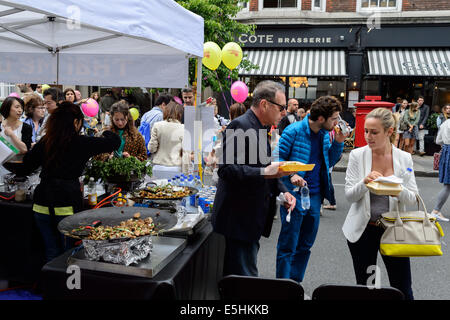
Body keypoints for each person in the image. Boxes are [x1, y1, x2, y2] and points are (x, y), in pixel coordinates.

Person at [15, 102, 120, 262]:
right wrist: (105, 132)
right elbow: (114, 142)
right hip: (66, 205)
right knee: (68, 254)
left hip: (42, 204)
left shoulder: (45, 142)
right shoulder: (81, 142)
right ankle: (63, 284)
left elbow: (25, 168)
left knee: (51, 251)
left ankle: (51, 283)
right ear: (76, 122)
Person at [211, 80, 297, 277]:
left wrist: (283, 191)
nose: (284, 112)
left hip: (249, 219)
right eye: (281, 107)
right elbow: (226, 169)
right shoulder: (241, 124)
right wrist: (265, 173)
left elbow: (265, 169)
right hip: (238, 219)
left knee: (241, 276)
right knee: (244, 279)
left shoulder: (259, 126)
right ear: (265, 104)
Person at [343, 107, 419, 300]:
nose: (368, 136)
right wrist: (365, 182)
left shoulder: (404, 158)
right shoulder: (357, 155)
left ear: (389, 131)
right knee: (370, 287)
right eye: (366, 131)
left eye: (374, 132)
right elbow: (350, 196)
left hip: (394, 230)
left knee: (402, 287)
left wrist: (396, 187)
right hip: (364, 231)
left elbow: (413, 198)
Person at [275, 95, 347, 283]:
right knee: (288, 243)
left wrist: (339, 142)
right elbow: (277, 160)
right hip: (293, 193)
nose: (336, 122)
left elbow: (328, 162)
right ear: (321, 118)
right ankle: (282, 287)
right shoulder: (293, 131)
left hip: (314, 196)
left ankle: (295, 283)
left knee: (306, 244)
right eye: (334, 119)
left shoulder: (325, 135)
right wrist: (292, 174)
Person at [148, 101, 188, 178]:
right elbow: (185, 154)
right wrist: (186, 173)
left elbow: (151, 149)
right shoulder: (184, 128)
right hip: (176, 167)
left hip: (158, 166)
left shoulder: (157, 125)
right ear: (180, 114)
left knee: (158, 189)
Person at [431, 118, 450, 222]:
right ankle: (436, 211)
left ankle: (436, 211)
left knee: (447, 185)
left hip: (446, 152)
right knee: (448, 186)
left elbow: (438, 141)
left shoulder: (445, 123)